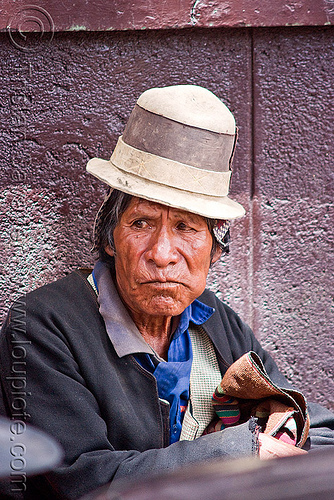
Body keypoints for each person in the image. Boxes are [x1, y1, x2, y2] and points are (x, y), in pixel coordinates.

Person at [0, 85, 333, 500]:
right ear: (110, 238)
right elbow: (88, 480)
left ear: (214, 250)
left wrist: (284, 428)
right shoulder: (44, 323)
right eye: (141, 223)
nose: (161, 254)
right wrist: (240, 450)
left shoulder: (212, 318)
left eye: (186, 228)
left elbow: (317, 428)